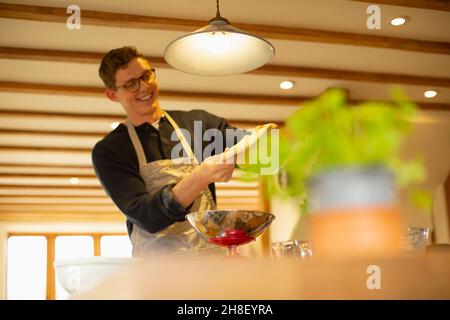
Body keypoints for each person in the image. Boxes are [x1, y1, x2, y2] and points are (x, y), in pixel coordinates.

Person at [92, 46, 246, 257]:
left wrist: (260, 145)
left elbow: (259, 154)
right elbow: (147, 216)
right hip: (157, 277)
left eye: (146, 76)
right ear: (112, 95)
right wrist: (202, 176)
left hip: (212, 266)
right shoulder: (111, 150)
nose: (144, 87)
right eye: (131, 84)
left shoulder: (198, 124)